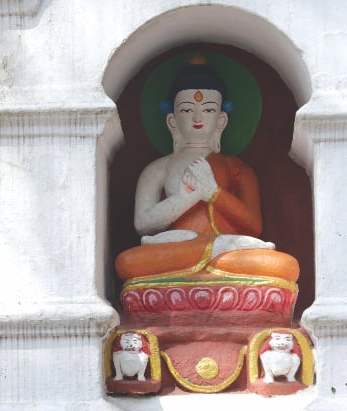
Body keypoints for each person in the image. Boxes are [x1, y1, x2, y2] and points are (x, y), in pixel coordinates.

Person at [115, 61, 299, 283]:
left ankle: (209, 254)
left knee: (283, 266)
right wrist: (186, 199)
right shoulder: (157, 169)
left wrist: (213, 193)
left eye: (209, 109)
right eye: (187, 109)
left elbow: (254, 225)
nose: (198, 118)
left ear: (221, 120)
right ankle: (210, 254)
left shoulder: (236, 168)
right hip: (177, 247)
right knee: (127, 263)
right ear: (172, 121)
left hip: (226, 250)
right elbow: (143, 224)